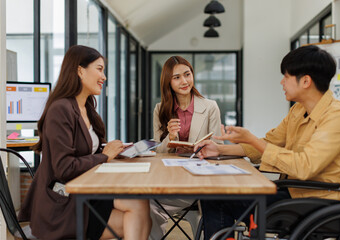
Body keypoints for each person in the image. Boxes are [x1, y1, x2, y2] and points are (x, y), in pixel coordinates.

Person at [194, 45, 340, 239]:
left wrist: (252, 140)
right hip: (294, 193)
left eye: (286, 77)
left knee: (219, 197)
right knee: (215, 193)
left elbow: (305, 167)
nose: (282, 82)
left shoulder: (338, 117)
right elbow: (269, 143)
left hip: (321, 200)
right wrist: (219, 150)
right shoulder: (298, 110)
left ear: (305, 81)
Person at [18, 45, 151, 240]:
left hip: (85, 190)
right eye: (99, 69)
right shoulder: (60, 109)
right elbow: (64, 167)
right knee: (136, 216)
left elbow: (89, 151)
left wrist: (117, 151)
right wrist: (105, 155)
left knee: (140, 204)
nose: (104, 77)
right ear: (80, 70)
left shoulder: (87, 109)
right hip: (63, 199)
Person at [151, 56, 223, 239]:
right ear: (168, 81)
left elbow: (219, 148)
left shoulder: (210, 107)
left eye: (187, 74)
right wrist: (170, 137)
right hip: (169, 180)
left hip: (199, 180)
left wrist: (205, 148)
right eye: (176, 77)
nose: (184, 81)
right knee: (147, 202)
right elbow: (158, 152)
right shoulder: (160, 109)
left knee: (150, 202)